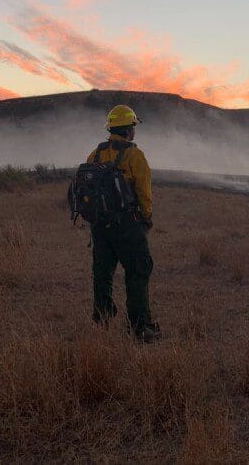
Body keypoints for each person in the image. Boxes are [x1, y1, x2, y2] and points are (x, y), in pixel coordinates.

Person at [87, 105, 161, 341]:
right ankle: (140, 327)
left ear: (111, 128)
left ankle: (103, 320)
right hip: (127, 225)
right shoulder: (134, 155)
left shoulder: (95, 154)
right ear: (129, 129)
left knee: (102, 273)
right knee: (138, 271)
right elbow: (144, 192)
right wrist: (146, 217)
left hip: (100, 227)